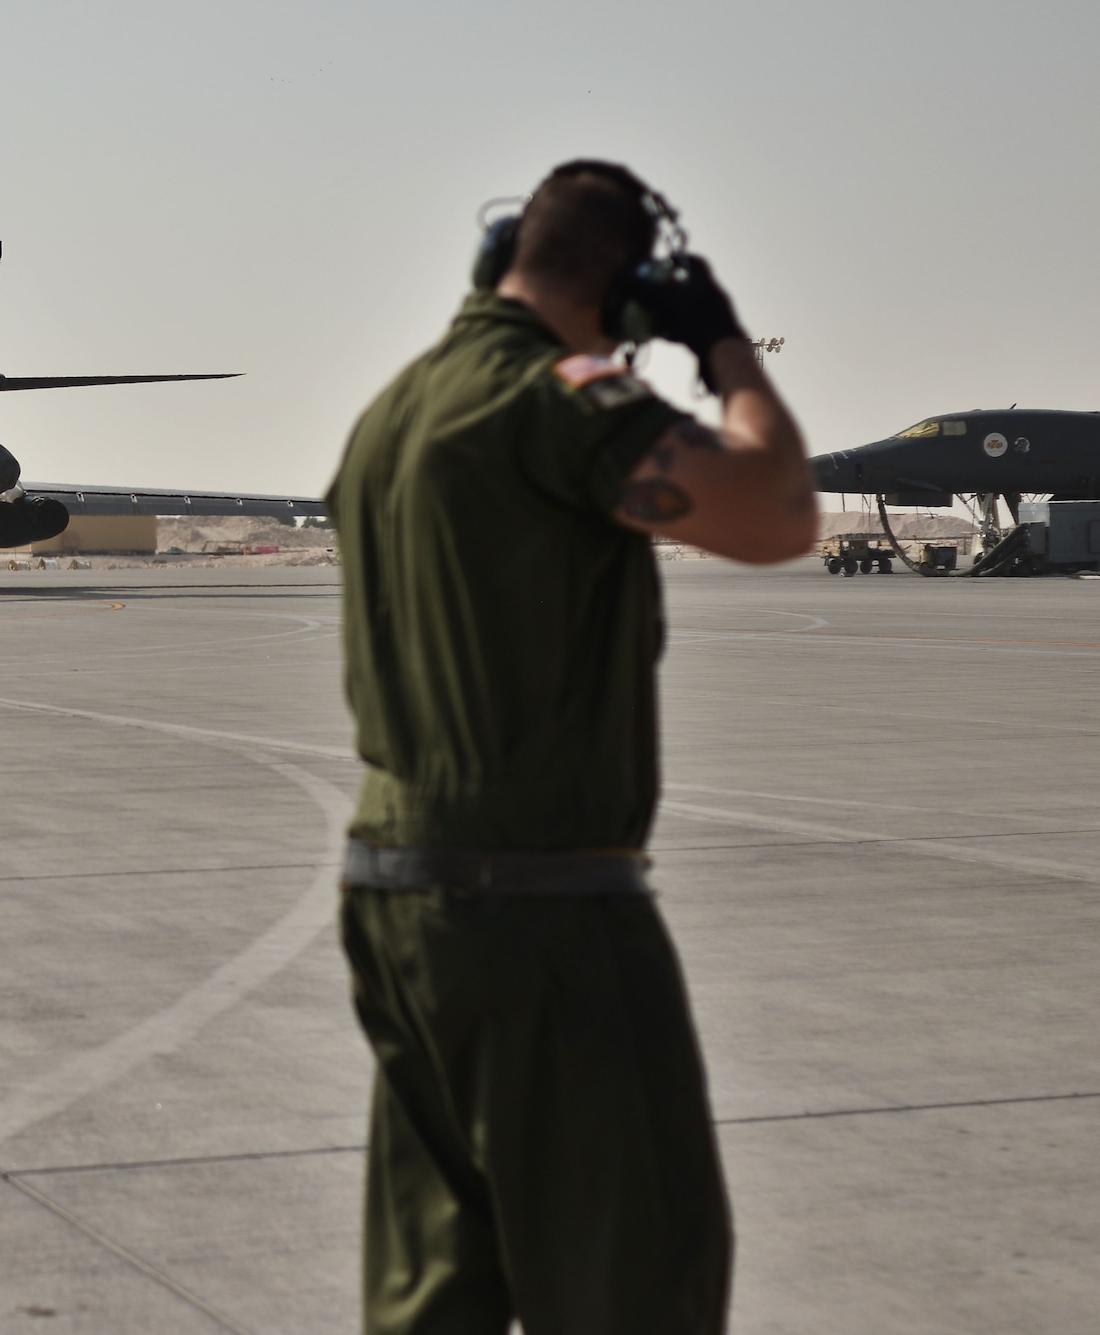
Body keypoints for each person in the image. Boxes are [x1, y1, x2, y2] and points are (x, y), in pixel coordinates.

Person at [325, 160, 816, 1335]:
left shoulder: (390, 410)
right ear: (631, 289)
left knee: (434, 1290)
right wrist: (725, 352)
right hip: (538, 912)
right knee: (635, 1274)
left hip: (395, 902)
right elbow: (776, 513)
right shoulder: (556, 396)